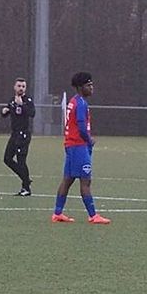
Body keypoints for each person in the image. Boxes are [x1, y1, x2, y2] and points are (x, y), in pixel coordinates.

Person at [52, 72, 110, 224]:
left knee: (68, 179)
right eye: (88, 85)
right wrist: (89, 140)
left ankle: (57, 213)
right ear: (80, 87)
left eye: (92, 84)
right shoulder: (81, 103)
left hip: (71, 145)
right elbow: (82, 127)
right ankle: (93, 215)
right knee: (85, 181)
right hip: (78, 146)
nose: (92, 88)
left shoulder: (74, 101)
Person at [1, 78, 36, 196]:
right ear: (14, 87)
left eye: (23, 86)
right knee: (7, 159)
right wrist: (4, 111)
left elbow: (32, 113)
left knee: (21, 161)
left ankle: (26, 188)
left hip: (23, 135)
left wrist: (22, 105)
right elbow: (6, 114)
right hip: (14, 134)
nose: (21, 88)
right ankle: (26, 179)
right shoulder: (12, 100)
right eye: (19, 86)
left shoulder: (28, 100)